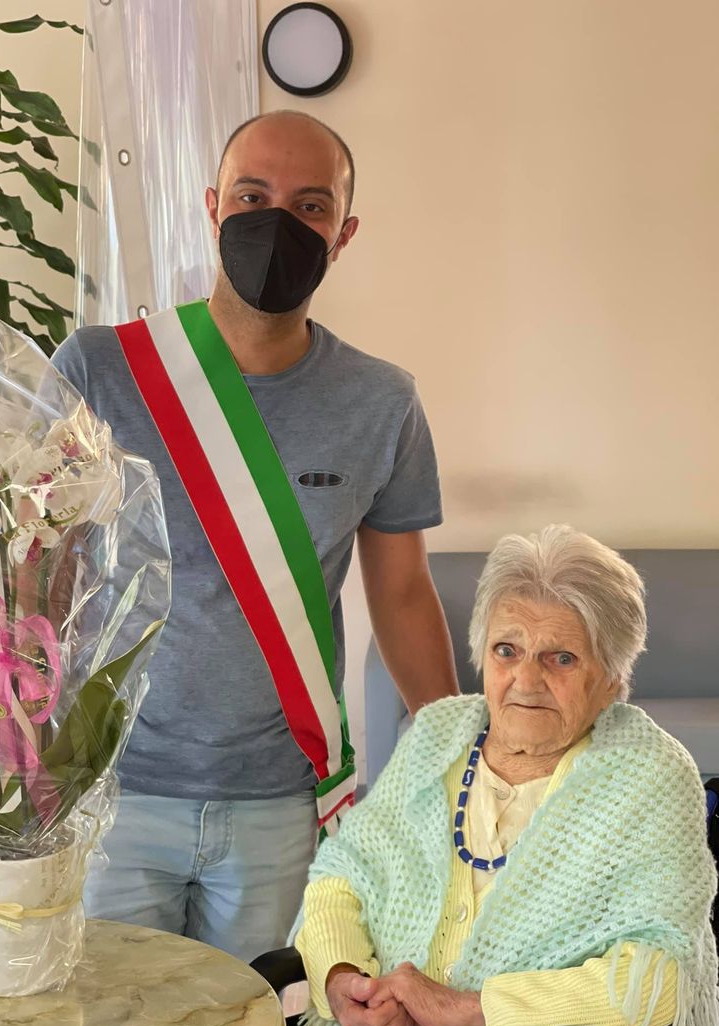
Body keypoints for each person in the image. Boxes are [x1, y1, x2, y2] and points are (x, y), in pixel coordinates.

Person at [51, 110, 459, 962]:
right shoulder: (100, 369)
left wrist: (455, 757)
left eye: (310, 206)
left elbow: (400, 592)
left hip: (281, 800)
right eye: (251, 196)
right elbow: (37, 563)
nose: (277, 222)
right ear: (213, 207)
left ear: (342, 233)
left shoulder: (381, 402)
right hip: (115, 790)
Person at [215, 524, 719, 1026]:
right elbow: (343, 878)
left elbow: (661, 979)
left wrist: (470, 1009)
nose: (526, 680)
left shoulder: (647, 774)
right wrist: (343, 980)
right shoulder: (438, 735)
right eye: (507, 650)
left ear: (611, 678)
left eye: (561, 658)